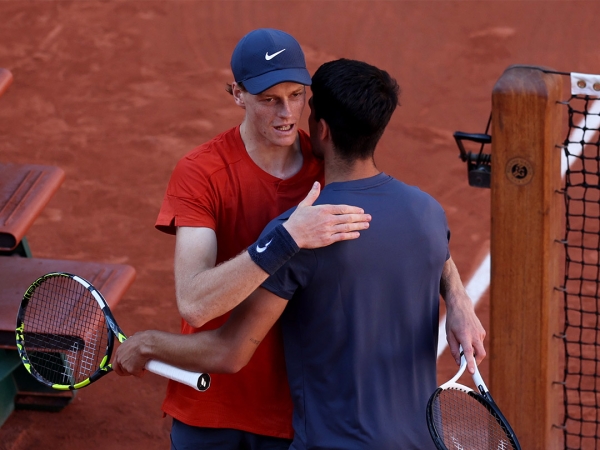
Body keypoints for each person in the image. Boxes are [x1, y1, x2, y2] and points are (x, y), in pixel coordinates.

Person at [115, 58, 486, 449]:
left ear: (321, 129)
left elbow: (229, 352)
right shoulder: (427, 211)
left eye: (300, 101)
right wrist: (458, 298)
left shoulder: (301, 233)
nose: (289, 113)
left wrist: (146, 343)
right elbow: (438, 251)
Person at [152, 28, 372, 449]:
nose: (286, 112)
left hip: (295, 412)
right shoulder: (201, 172)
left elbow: (401, 216)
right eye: (269, 99)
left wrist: (454, 295)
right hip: (211, 402)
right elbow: (195, 304)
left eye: (296, 95)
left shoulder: (332, 167)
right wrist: (287, 240)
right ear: (237, 94)